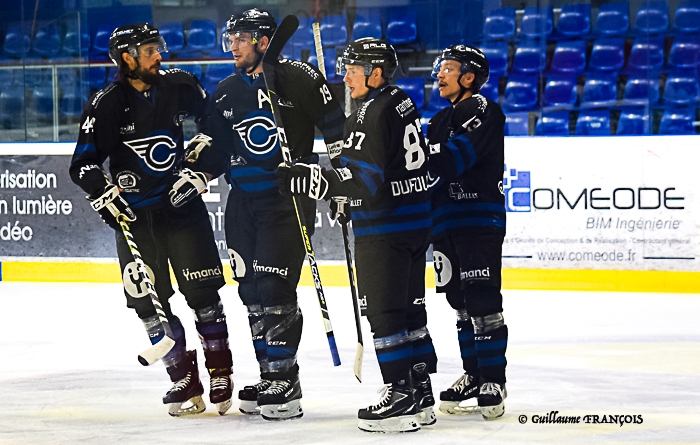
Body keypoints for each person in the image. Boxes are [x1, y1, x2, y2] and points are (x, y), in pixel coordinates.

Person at [183, 9, 345, 420]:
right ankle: (268, 373)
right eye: (231, 38)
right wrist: (198, 171)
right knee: (251, 293)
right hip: (241, 205)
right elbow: (216, 148)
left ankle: (285, 381)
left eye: (240, 38)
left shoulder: (300, 78)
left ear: (262, 40)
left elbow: (337, 131)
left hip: (285, 202)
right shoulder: (225, 91)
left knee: (275, 289)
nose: (233, 46)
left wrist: (342, 183)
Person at [68, 23, 234, 417]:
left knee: (204, 297)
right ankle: (182, 376)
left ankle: (221, 371)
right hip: (137, 221)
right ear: (127, 58)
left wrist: (201, 170)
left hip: (182, 212)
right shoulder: (107, 103)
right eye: (149, 50)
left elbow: (217, 128)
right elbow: (83, 164)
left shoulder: (179, 85)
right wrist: (104, 194)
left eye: (157, 47)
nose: (159, 55)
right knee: (147, 304)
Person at [276, 37, 437, 433]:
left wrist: (317, 180)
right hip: (415, 223)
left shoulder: (371, 111)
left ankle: (400, 396)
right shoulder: (402, 102)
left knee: (384, 313)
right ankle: (420, 392)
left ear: (375, 72)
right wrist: (343, 190)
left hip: (385, 229)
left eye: (352, 70)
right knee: (411, 312)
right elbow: (390, 167)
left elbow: (365, 180)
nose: (345, 78)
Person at [426, 44, 508, 420]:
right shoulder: (438, 120)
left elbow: (455, 159)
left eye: (448, 68)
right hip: (445, 220)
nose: (440, 73)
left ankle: (494, 378)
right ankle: (474, 375)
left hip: (478, 218)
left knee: (483, 299)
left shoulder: (484, 110)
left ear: (469, 76)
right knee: (458, 303)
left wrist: (422, 167)